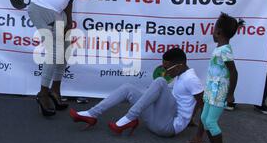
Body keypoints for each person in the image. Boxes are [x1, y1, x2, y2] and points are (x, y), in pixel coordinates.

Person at [15, 0, 103, 117]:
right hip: (41, 8)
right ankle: (43, 93)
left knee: (65, 50)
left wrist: (69, 20)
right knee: (54, 50)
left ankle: (55, 90)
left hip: (58, 13)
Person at [70, 48, 204, 138]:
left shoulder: (191, 79)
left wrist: (198, 134)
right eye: (164, 67)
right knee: (128, 88)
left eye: (167, 68)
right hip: (157, 121)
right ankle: (92, 114)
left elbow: (203, 103)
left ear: (179, 66)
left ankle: (128, 119)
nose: (166, 71)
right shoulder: (181, 74)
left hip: (168, 126)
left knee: (160, 81)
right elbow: (188, 101)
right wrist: (190, 118)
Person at [193, 13, 241, 143]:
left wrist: (231, 94)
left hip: (219, 92)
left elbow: (233, 72)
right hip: (211, 90)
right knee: (205, 119)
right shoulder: (219, 48)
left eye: (213, 30)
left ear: (219, 32)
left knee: (211, 122)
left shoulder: (225, 50)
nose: (212, 33)